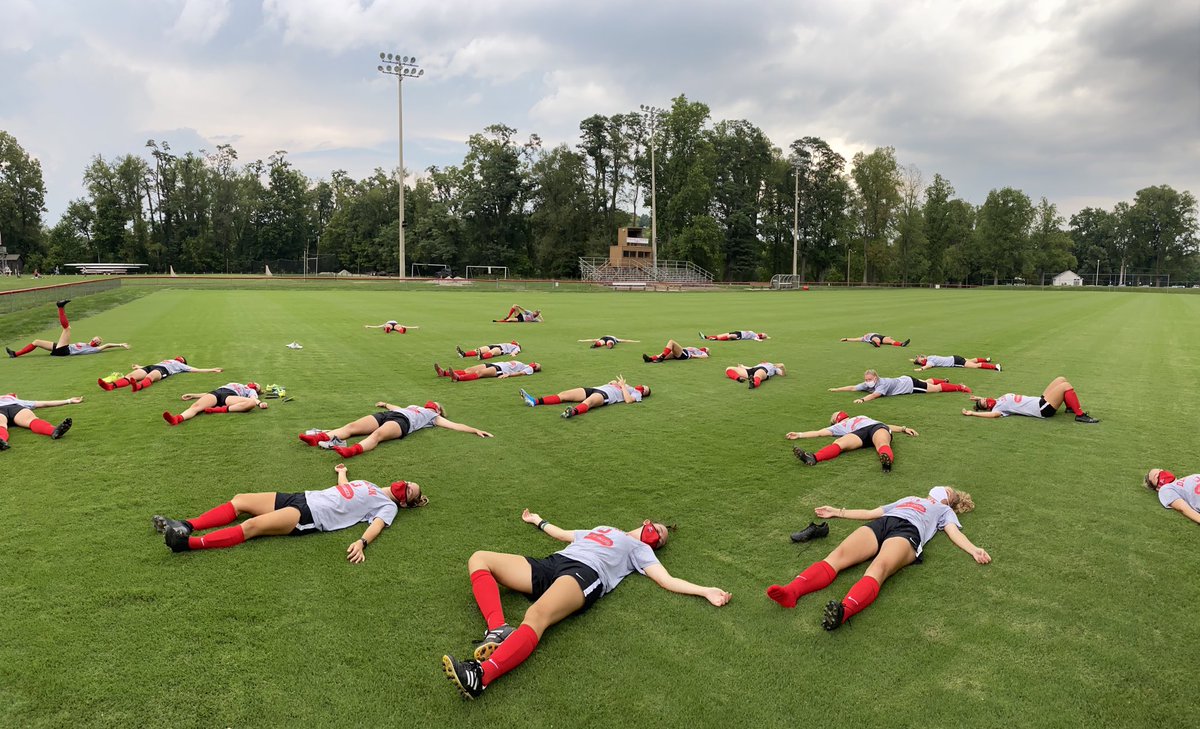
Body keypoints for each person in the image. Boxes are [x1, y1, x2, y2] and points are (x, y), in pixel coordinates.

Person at [440, 508, 732, 700]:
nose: (658, 538)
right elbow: (566, 534)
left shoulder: (641, 550)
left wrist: (705, 590)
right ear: (646, 523)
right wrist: (538, 521)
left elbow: (666, 580)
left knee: (537, 614)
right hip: (554, 562)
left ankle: (481, 676)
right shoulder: (605, 528)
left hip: (585, 575)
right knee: (480, 558)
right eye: (659, 531)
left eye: (661, 540)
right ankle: (498, 630)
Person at [765, 486, 990, 630]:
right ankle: (791, 592)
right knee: (838, 556)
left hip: (908, 532)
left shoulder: (944, 511)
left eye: (949, 491)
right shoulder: (911, 496)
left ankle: (844, 611)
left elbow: (953, 532)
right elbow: (874, 512)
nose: (945, 489)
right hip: (884, 523)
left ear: (949, 500)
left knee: (879, 567)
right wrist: (838, 511)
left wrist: (973, 549)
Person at [153, 463, 427, 557]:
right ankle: (186, 524)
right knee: (240, 500)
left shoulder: (388, 506)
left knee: (253, 526)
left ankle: (186, 543)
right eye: (409, 482)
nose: (405, 485)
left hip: (310, 516)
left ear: (404, 502)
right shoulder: (370, 485)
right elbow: (346, 488)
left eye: (409, 490)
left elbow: (377, 524)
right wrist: (342, 473)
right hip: (302, 497)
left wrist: (362, 541)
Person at [298, 400, 493, 458]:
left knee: (378, 435)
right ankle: (317, 438)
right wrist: (385, 404)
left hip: (402, 424)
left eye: (437, 404)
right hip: (390, 415)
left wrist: (475, 430)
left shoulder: (434, 417)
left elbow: (455, 425)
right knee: (352, 426)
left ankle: (352, 450)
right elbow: (396, 408)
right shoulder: (415, 406)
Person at [787, 411, 918, 472]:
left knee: (841, 443)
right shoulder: (839, 426)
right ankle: (813, 458)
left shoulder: (857, 418)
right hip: (868, 430)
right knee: (840, 443)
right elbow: (819, 432)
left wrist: (902, 428)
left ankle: (886, 463)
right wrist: (799, 434)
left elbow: (819, 432)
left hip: (872, 428)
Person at [6, 300, 130, 358]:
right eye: (95, 339)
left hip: (65, 351)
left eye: (97, 341)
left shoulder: (94, 349)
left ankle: (60, 307)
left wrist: (120, 344)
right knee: (36, 342)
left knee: (67, 329)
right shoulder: (85, 343)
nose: (96, 341)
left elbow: (107, 345)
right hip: (62, 348)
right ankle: (15, 354)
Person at [961, 376, 1099, 423]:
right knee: (1065, 386)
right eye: (986, 403)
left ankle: (1070, 407)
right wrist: (973, 413)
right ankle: (1080, 416)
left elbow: (987, 400)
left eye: (985, 399)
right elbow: (993, 415)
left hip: (1041, 400)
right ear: (988, 407)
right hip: (1042, 409)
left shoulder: (999, 400)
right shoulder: (999, 409)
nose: (987, 400)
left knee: (1060, 379)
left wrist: (978, 399)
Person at [518, 376, 650, 418]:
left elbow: (628, 400)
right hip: (595, 388)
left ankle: (572, 412)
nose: (642, 387)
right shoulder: (627, 385)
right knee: (564, 395)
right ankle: (534, 401)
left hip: (605, 396)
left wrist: (622, 386)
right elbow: (611, 383)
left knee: (589, 402)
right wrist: (615, 383)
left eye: (645, 389)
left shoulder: (635, 393)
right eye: (643, 386)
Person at [829, 369, 970, 403]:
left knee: (934, 389)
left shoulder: (881, 385)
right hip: (904, 379)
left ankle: (960, 387)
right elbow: (854, 387)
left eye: (869, 379)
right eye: (866, 379)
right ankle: (943, 380)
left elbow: (875, 395)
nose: (867, 381)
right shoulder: (868, 383)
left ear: (875, 378)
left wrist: (863, 400)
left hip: (910, 385)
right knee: (927, 382)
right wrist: (836, 389)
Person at [162, 382, 265, 426]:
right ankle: (176, 419)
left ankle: (217, 409)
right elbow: (210, 393)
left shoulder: (251, 391)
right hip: (217, 392)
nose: (255, 384)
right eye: (255, 383)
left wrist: (260, 403)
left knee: (250, 403)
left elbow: (253, 399)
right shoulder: (237, 383)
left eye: (257, 386)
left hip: (230, 396)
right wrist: (194, 395)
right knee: (196, 406)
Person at [0, 393, 80, 449]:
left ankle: (54, 431)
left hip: (16, 408)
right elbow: (44, 403)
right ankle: (1, 440)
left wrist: (69, 400)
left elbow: (44, 403)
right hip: (13, 408)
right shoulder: (16, 400)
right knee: (30, 420)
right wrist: (68, 401)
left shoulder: (18, 401)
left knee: (31, 420)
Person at [97, 357, 223, 392]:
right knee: (131, 375)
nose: (179, 358)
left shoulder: (180, 365)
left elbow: (195, 369)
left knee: (150, 377)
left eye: (181, 358)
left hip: (163, 371)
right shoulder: (168, 359)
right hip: (153, 366)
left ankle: (138, 387)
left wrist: (212, 369)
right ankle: (111, 386)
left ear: (182, 361)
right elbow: (152, 364)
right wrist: (139, 366)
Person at [434, 360, 541, 381]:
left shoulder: (529, 369)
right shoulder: (524, 363)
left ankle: (458, 378)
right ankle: (443, 373)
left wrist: (508, 375)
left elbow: (521, 373)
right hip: (496, 364)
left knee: (479, 373)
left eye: (536, 365)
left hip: (500, 370)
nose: (535, 364)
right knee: (469, 369)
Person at [642, 340, 709, 363]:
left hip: (685, 354)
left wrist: (693, 356)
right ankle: (650, 359)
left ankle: (661, 358)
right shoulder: (696, 349)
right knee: (665, 353)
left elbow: (705, 356)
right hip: (683, 353)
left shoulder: (702, 352)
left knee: (671, 342)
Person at [913, 355, 1000, 371]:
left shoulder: (930, 360)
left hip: (955, 361)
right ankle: (986, 359)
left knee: (975, 366)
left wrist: (921, 368)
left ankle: (995, 367)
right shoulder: (930, 357)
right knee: (971, 360)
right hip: (954, 357)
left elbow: (929, 366)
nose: (921, 360)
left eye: (921, 359)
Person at [456, 341, 521, 360]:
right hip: (493, 345)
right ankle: (464, 354)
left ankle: (482, 357)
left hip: (502, 349)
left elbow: (516, 351)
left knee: (493, 351)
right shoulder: (509, 343)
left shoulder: (517, 347)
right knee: (479, 350)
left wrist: (513, 354)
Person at [839, 333, 909, 348]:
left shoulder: (873, 333)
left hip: (882, 337)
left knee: (890, 340)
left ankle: (901, 344)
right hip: (874, 338)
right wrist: (846, 339)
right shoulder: (863, 338)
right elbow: (855, 339)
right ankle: (876, 344)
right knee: (876, 339)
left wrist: (888, 337)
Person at [700, 330, 769, 341]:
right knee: (721, 335)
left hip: (740, 336)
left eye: (763, 334)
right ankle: (706, 337)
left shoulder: (756, 336)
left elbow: (756, 339)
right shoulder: (754, 333)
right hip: (738, 332)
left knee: (730, 336)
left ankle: (714, 339)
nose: (762, 333)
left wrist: (760, 340)